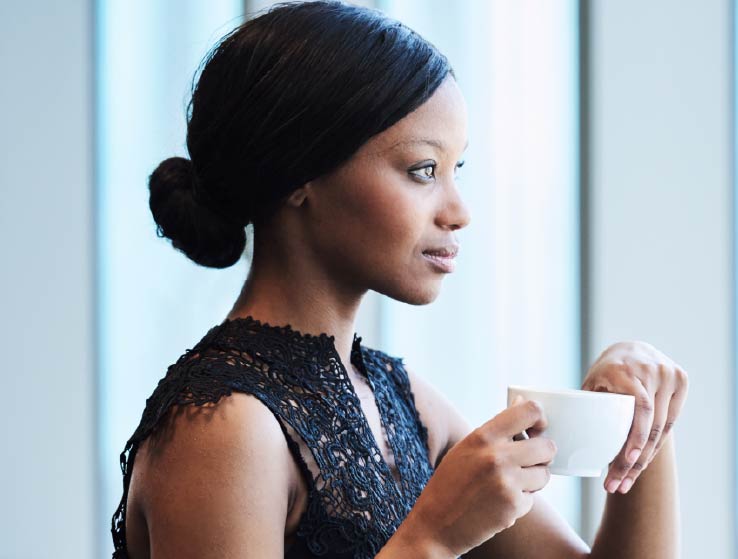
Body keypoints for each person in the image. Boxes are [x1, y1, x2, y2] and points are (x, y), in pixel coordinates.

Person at [113, 2, 688, 557]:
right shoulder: (224, 428)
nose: (459, 211)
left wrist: (642, 421)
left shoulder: (401, 400)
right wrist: (433, 537)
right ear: (298, 176)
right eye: (422, 171)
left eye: (455, 170)